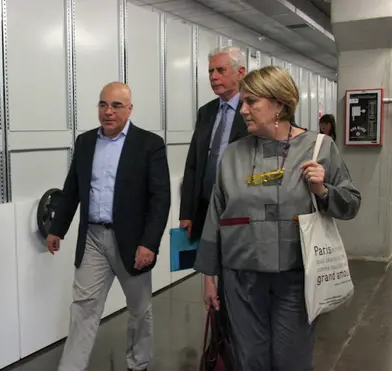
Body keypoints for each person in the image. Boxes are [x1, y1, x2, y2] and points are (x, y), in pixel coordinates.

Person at [194, 65, 361, 370]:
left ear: (280, 104)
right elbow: (216, 215)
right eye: (242, 102)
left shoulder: (319, 148)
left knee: (291, 360)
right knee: (249, 359)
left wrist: (323, 189)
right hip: (241, 277)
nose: (242, 110)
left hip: (295, 277)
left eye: (251, 102)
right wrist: (208, 277)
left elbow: (351, 204)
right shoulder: (232, 154)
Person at [47, 81, 171, 371]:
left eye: (116, 105)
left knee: (139, 310)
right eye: (103, 104)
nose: (108, 111)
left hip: (132, 240)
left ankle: (138, 363)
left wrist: (149, 243)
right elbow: (73, 189)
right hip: (92, 237)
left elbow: (160, 199)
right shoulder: (86, 141)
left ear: (129, 109)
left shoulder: (149, 144)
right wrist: (57, 228)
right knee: (83, 308)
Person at [179, 46, 249, 243]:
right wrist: (186, 212)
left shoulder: (253, 109)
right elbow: (193, 163)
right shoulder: (206, 112)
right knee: (207, 266)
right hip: (205, 206)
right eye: (211, 71)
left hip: (239, 207)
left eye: (221, 70)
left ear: (240, 72)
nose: (214, 77)